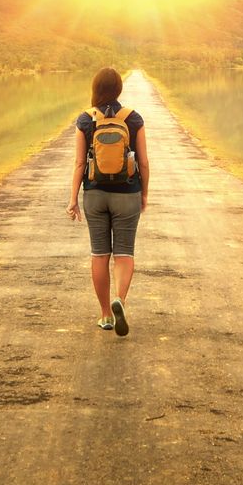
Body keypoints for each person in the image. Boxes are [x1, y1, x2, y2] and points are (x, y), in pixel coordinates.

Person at [66, 66, 148, 336]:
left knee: (99, 254)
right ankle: (120, 301)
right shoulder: (133, 118)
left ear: (95, 88)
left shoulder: (85, 119)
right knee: (124, 253)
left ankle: (105, 315)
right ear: (119, 89)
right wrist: (143, 194)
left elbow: (80, 163)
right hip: (128, 193)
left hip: (95, 194)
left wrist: (73, 199)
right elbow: (144, 162)